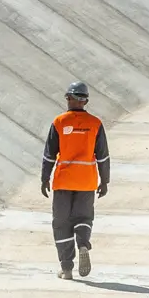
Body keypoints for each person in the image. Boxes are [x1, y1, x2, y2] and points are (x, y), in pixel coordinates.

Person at [40, 81, 110, 280]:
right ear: (85, 100)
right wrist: (105, 181)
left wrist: (45, 178)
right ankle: (82, 244)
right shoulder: (95, 124)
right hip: (87, 182)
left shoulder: (59, 122)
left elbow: (49, 155)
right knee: (83, 218)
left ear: (69, 99)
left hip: (63, 182)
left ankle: (67, 267)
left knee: (62, 223)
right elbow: (103, 156)